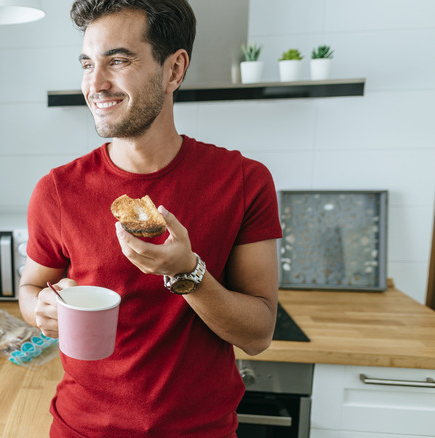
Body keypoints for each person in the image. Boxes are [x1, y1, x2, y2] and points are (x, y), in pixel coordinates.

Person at [18, 0, 282, 436]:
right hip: (83, 429)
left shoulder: (243, 182)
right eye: (87, 64)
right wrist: (40, 309)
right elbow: (30, 289)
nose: (95, 84)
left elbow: (258, 335)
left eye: (118, 61)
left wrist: (187, 273)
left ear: (174, 70)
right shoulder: (58, 191)